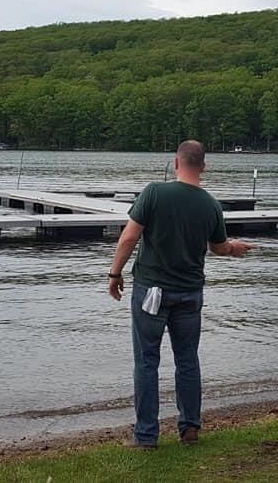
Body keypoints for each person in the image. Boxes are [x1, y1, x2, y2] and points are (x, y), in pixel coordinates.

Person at [107, 140, 253, 449]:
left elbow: (129, 237)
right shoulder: (211, 205)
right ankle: (189, 428)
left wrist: (114, 274)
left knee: (146, 362)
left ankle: (146, 435)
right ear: (203, 166)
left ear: (176, 162)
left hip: (151, 291)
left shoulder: (154, 193)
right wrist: (234, 249)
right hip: (190, 293)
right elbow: (218, 247)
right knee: (187, 359)